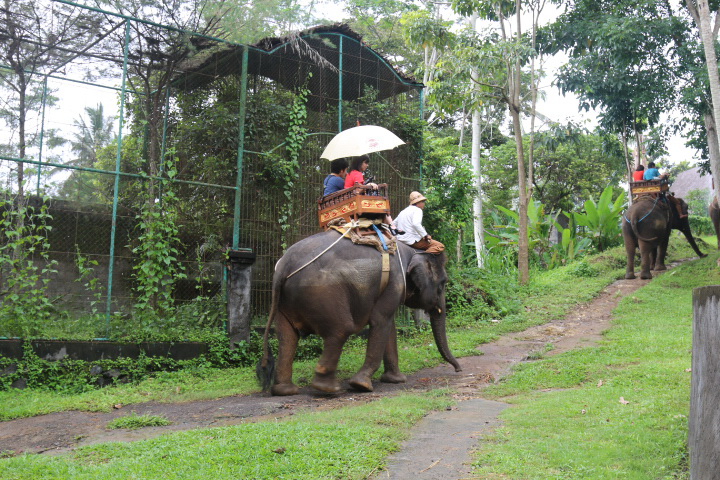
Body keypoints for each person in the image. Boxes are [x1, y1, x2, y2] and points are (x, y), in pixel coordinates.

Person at [344, 155, 399, 233]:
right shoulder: (357, 174)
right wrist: (369, 185)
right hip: (356, 204)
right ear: (359, 162)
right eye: (366, 163)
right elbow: (358, 190)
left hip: (349, 203)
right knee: (383, 206)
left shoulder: (350, 173)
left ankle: (391, 226)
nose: (367, 165)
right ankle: (392, 226)